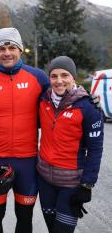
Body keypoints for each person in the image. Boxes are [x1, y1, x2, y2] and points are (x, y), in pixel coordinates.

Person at [0, 27, 50, 233]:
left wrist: (85, 100)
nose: (7, 52)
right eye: (2, 48)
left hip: (28, 161)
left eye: (12, 47)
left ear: (20, 49)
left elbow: (59, 103)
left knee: (25, 218)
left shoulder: (39, 78)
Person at [37, 56, 104, 233]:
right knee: (52, 229)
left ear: (73, 77)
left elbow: (95, 149)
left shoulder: (88, 107)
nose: (59, 81)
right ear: (49, 78)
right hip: (45, 181)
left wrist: (87, 185)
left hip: (71, 184)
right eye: (54, 76)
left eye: (64, 75)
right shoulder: (43, 100)